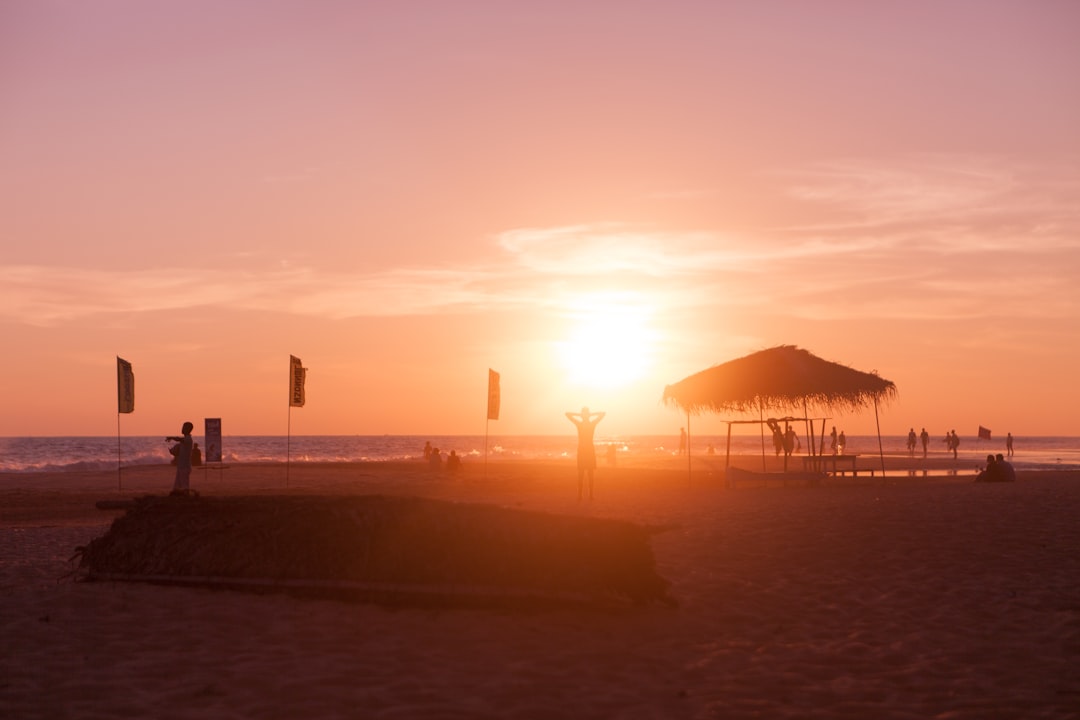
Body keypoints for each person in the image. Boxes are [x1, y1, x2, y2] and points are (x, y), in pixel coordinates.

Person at [565, 407, 605, 500]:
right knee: (581, 474)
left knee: (589, 474)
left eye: (586, 414)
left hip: (588, 450)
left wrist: (588, 415)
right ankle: (580, 495)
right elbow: (567, 414)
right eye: (585, 414)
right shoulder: (580, 424)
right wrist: (582, 415)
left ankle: (590, 495)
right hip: (583, 450)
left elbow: (603, 413)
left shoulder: (590, 424)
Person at [167, 422, 195, 495]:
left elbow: (179, 439)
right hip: (181, 466)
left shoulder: (188, 439)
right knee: (177, 486)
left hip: (185, 467)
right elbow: (178, 449)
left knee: (184, 486)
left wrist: (171, 438)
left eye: (184, 427)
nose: (182, 429)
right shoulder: (185, 440)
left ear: (187, 429)